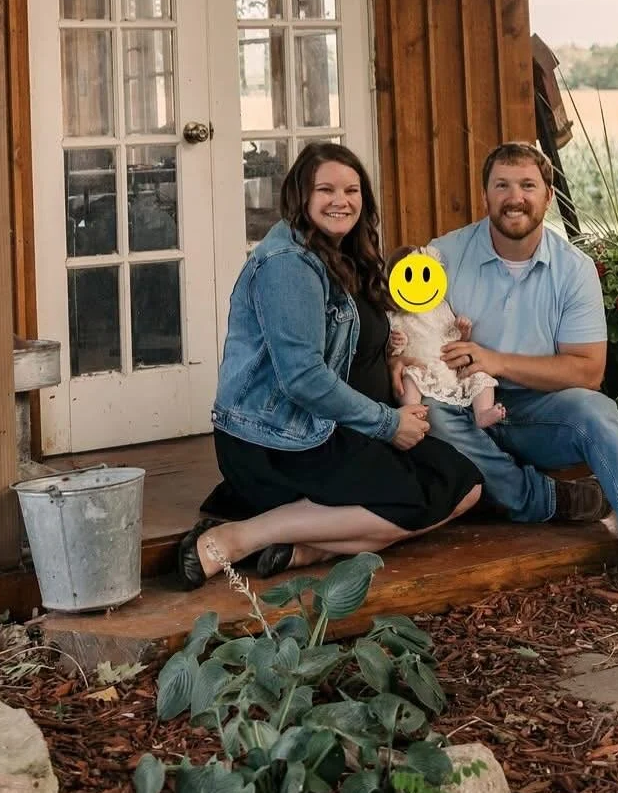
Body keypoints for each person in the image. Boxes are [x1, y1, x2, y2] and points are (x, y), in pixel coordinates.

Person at [398, 142, 618, 620]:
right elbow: (410, 322)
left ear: (547, 196)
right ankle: (542, 499)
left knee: (596, 412)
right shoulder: (443, 257)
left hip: (537, 413)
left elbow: (586, 371)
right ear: (484, 194)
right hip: (462, 409)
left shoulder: (573, 269)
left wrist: (496, 361)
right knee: (433, 416)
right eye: (502, 185)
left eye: (528, 185)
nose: (515, 197)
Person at [177, 142, 482, 587]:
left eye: (352, 190)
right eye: (326, 190)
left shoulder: (345, 253)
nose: (341, 201)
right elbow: (303, 378)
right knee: (412, 504)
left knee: (465, 486)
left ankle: (303, 550)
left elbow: (364, 342)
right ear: (300, 195)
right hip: (280, 440)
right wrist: (386, 423)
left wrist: (394, 362)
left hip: (335, 427)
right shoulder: (288, 265)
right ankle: (236, 539)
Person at [385, 248, 505, 429]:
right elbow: (390, 347)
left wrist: (463, 330)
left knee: (481, 376)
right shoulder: (395, 315)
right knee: (410, 378)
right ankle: (413, 411)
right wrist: (395, 342)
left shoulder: (440, 306)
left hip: (451, 368)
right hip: (423, 369)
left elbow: (456, 339)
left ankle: (483, 412)